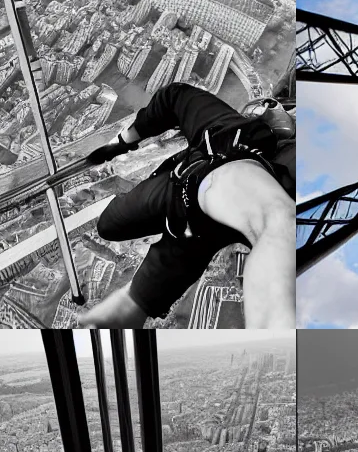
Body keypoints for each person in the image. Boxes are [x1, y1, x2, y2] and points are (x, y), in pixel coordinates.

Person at [78, 83, 295, 329]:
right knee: (108, 226)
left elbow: (278, 220)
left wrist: (122, 141)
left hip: (191, 196)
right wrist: (138, 299)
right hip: (187, 196)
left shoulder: (231, 129)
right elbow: (175, 97)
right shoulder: (230, 129)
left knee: (114, 224)